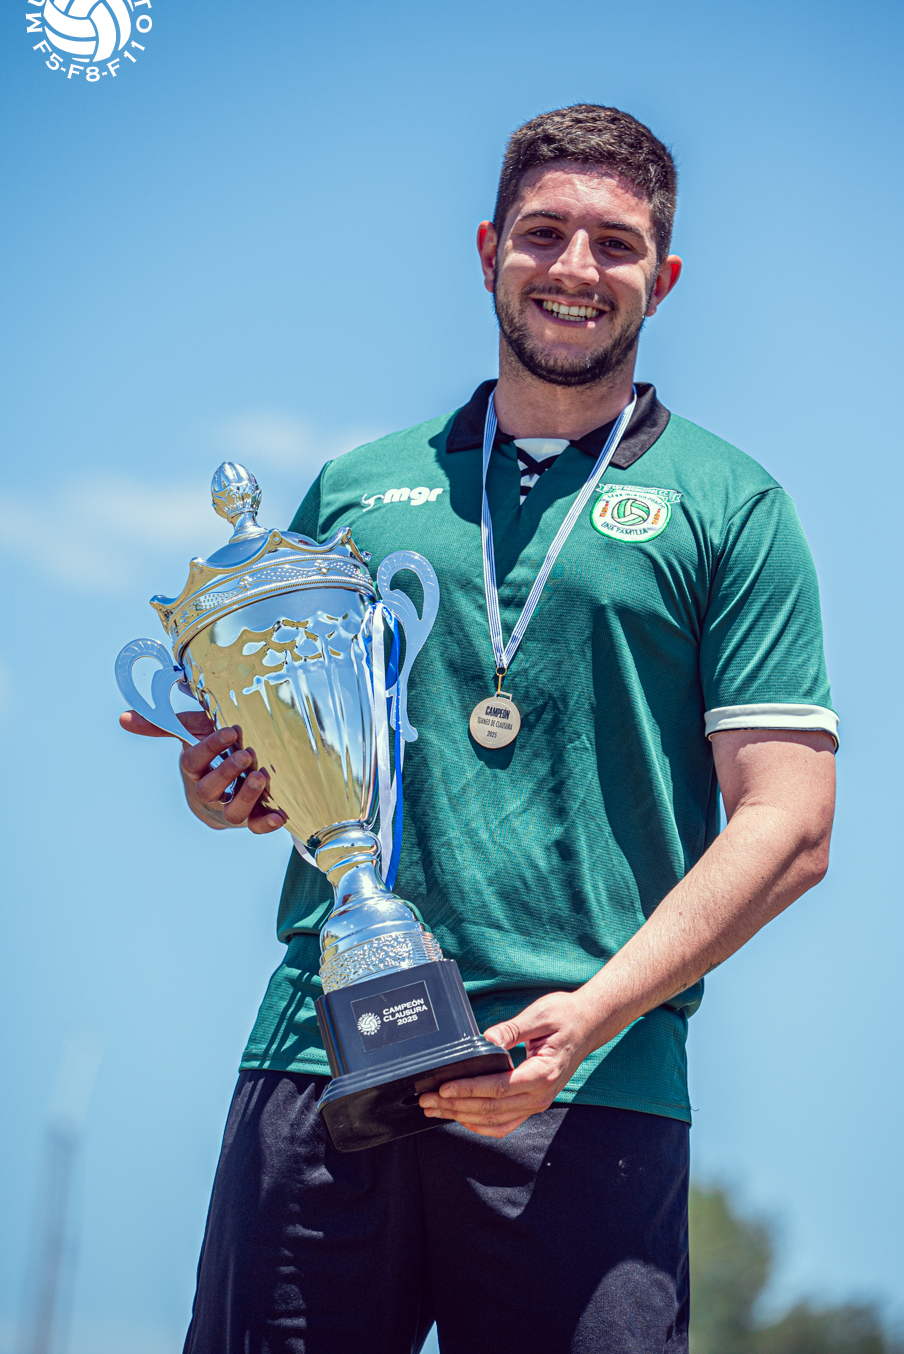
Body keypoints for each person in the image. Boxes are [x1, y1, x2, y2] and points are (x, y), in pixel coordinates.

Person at [122, 104, 838, 1354]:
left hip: (587, 1077)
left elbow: (788, 822)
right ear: (487, 250)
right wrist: (225, 787)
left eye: (614, 244)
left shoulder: (731, 505)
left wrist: (589, 1016)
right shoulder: (358, 489)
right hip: (323, 1052)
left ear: (663, 278)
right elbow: (289, 769)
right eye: (542, 232)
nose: (574, 268)